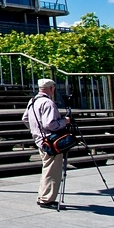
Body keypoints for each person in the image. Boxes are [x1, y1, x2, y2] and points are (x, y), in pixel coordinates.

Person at [21, 78, 71, 208]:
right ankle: (46, 199)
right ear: (51, 88)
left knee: (47, 168)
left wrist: (36, 131)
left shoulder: (32, 101)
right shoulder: (48, 103)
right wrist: (64, 121)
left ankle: (43, 196)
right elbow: (50, 124)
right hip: (51, 141)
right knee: (52, 171)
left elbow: (25, 119)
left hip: (40, 140)